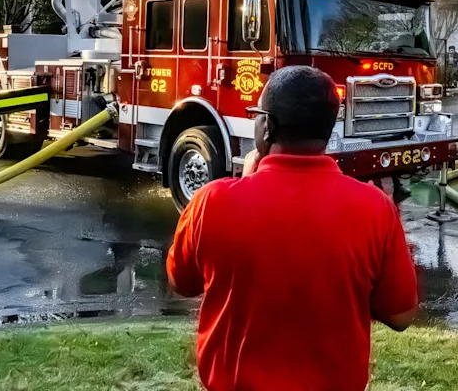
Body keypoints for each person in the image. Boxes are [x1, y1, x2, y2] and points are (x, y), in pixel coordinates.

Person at [167, 66, 419, 391]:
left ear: (267, 127)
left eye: (257, 114)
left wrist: (244, 187)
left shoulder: (211, 202)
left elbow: (181, 282)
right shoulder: (375, 208)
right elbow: (401, 316)